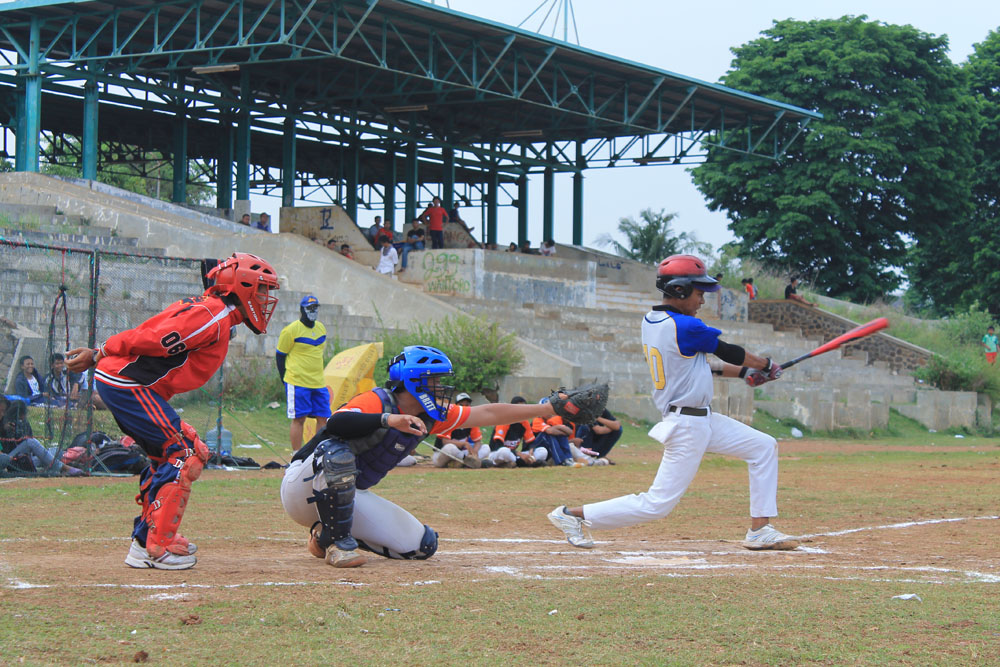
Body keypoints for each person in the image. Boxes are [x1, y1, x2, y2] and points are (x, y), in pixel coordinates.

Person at [547, 254, 799, 551]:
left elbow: (706, 365)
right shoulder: (687, 327)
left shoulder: (654, 320)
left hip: (701, 419)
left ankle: (760, 530)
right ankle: (572, 515)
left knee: (763, 446)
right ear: (679, 290)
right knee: (657, 504)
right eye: (698, 292)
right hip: (687, 425)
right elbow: (728, 351)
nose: (702, 300)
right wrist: (766, 364)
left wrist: (747, 373)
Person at [66, 252, 280, 570]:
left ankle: (143, 542)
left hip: (131, 384)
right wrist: (101, 351)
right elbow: (156, 339)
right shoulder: (214, 314)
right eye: (261, 289)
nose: (265, 298)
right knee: (184, 453)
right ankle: (159, 544)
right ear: (242, 285)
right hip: (128, 383)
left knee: (168, 456)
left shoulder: (215, 312)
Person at [279, 345, 579, 568]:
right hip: (302, 485)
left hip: (342, 497)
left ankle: (323, 536)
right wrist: (387, 420)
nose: (441, 387)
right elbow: (335, 424)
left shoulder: (431, 415)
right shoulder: (377, 400)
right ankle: (339, 546)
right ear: (413, 381)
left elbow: (487, 412)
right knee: (338, 452)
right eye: (434, 381)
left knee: (422, 546)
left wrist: (547, 409)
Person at [276, 295, 331, 451]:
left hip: (318, 382)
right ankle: (296, 457)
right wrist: (284, 379)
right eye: (309, 308)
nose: (313, 311)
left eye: (315, 308)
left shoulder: (321, 328)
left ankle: (317, 453)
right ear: (302, 310)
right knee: (299, 419)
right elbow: (280, 355)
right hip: (298, 381)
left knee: (323, 418)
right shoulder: (291, 330)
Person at [0, 396, 85, 476]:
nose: (2, 414)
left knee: (55, 451)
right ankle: (63, 468)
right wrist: (4, 430)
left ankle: (55, 468)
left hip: (20, 459)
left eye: (3, 411)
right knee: (31, 442)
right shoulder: (4, 425)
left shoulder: (13, 423)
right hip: (6, 459)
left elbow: (26, 449)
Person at [489, 395, 546, 467]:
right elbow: (498, 445)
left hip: (514, 455)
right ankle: (524, 463)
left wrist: (531, 451)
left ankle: (522, 462)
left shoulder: (524, 422)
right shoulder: (505, 421)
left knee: (542, 451)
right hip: (497, 453)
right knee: (504, 451)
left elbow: (531, 442)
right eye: (520, 409)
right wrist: (520, 454)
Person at [430, 392, 485, 468]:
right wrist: (464, 444)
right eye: (461, 404)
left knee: (485, 447)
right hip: (442, 454)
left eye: (467, 405)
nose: (464, 407)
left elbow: (478, 442)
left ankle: (464, 462)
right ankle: (467, 462)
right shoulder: (449, 417)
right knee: (450, 447)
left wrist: (474, 452)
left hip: (460, 453)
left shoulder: (471, 420)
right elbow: (445, 441)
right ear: (456, 405)